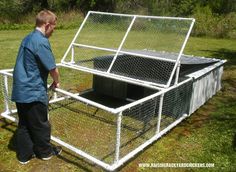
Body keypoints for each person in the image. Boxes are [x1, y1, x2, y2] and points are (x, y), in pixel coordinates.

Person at [11, 10, 61, 164]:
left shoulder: (28, 38)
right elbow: (53, 68)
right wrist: (57, 81)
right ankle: (45, 153)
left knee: (24, 123)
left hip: (20, 89)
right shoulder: (41, 41)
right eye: (53, 27)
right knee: (40, 124)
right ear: (47, 25)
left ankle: (24, 155)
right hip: (32, 90)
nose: (53, 30)